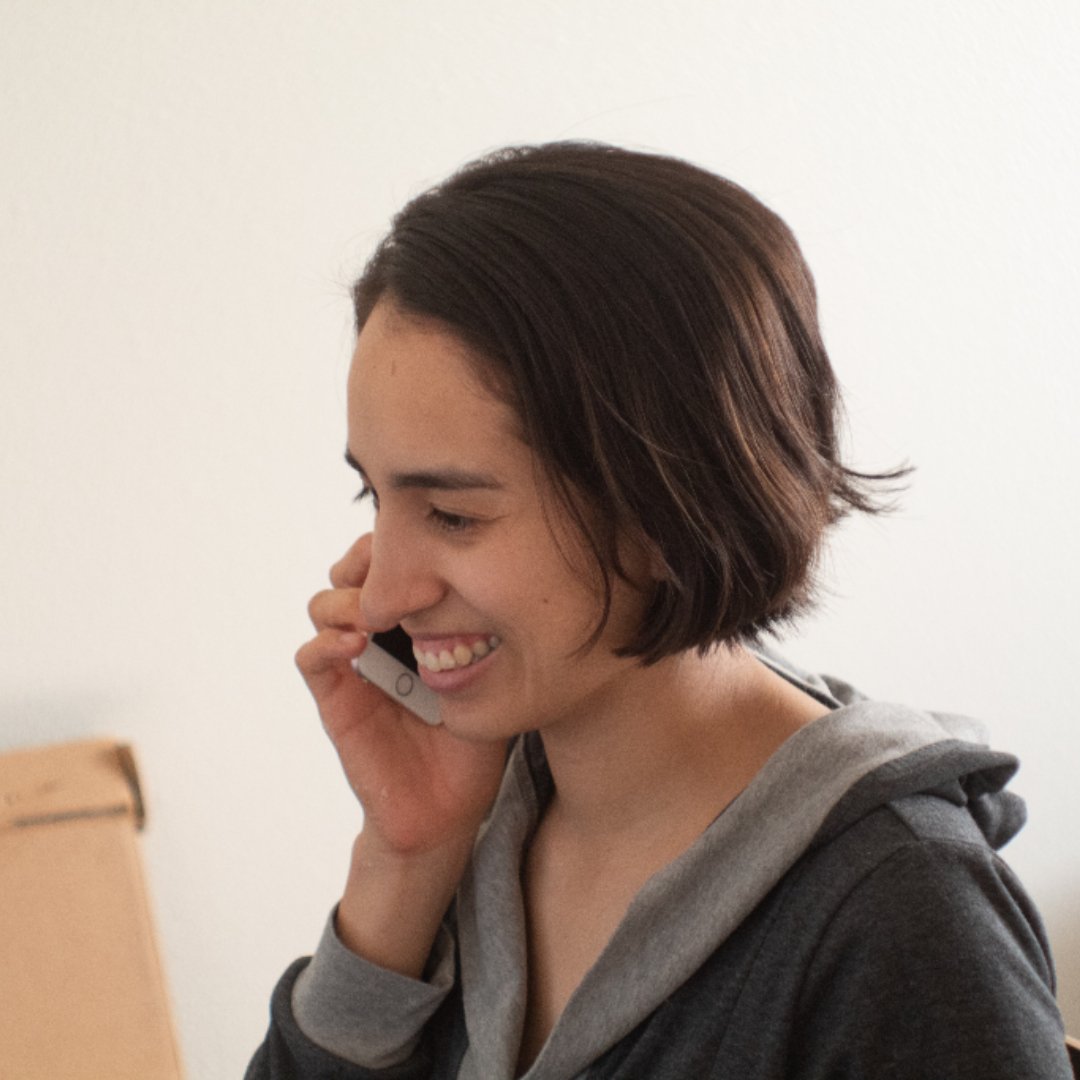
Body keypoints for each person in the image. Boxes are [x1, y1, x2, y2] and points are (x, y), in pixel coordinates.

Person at [247, 142, 1072, 1079]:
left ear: (664, 502)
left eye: (453, 514)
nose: (385, 592)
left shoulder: (901, 920)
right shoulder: (487, 817)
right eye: (376, 499)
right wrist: (404, 858)